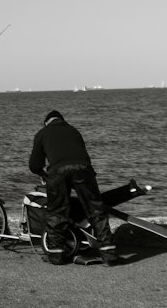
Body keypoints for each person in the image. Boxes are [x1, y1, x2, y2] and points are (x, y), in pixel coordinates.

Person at [28, 109, 119, 266]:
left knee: (57, 213)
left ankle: (57, 256)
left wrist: (43, 174)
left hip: (57, 172)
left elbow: (35, 165)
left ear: (46, 122)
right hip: (83, 169)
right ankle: (109, 254)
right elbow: (83, 156)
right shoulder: (73, 130)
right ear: (62, 120)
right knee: (96, 210)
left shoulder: (43, 133)